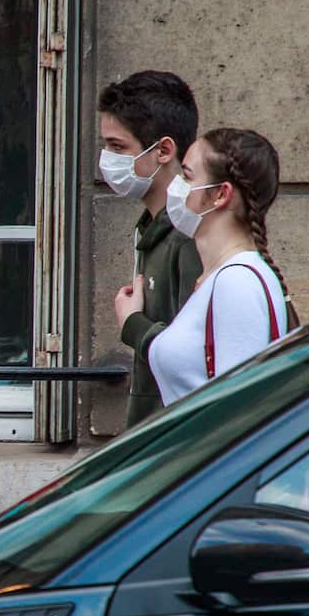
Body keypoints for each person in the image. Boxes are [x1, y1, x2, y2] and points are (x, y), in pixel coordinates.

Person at [115, 127, 298, 406]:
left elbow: (234, 411)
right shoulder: (227, 276)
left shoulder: (237, 282)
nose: (176, 186)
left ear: (220, 195)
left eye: (187, 176)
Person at [98, 70, 202, 427]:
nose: (107, 160)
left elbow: (194, 360)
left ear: (163, 150)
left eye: (118, 147)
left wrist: (133, 324)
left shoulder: (190, 235)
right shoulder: (152, 228)